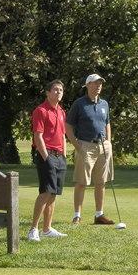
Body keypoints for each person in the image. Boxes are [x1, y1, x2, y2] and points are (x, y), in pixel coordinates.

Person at [65, 74, 115, 225]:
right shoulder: (79, 104)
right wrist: (77, 145)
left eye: (100, 83)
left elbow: (107, 123)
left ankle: (99, 215)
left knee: (101, 182)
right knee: (81, 182)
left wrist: (108, 141)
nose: (98, 86)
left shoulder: (104, 104)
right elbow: (68, 127)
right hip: (85, 145)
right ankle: (77, 215)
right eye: (95, 83)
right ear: (87, 85)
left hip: (103, 146)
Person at [27, 80, 70, 242]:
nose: (59, 92)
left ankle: (47, 229)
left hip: (59, 156)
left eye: (61, 90)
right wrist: (46, 158)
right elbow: (38, 136)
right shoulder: (41, 111)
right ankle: (33, 229)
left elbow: (63, 135)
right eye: (55, 89)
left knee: (53, 194)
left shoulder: (62, 112)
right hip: (47, 154)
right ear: (48, 92)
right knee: (45, 192)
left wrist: (64, 155)